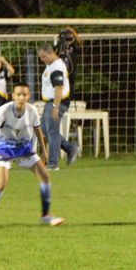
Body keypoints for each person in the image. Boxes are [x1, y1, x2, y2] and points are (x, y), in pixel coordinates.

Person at [0, 83, 62, 229]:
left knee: (45, 176)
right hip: (4, 148)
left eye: (24, 95)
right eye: (18, 94)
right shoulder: (4, 110)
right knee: (1, 184)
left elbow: (38, 131)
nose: (21, 97)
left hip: (24, 148)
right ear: (13, 96)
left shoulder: (31, 110)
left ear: (28, 96)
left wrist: (44, 151)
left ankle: (45, 216)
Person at [37, 29, 81, 170]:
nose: (42, 60)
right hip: (51, 102)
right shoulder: (51, 65)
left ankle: (53, 163)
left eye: (43, 57)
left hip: (57, 102)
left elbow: (59, 88)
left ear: (51, 53)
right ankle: (71, 149)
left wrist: (56, 107)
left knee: (52, 132)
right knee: (44, 130)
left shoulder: (56, 67)